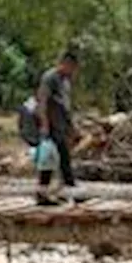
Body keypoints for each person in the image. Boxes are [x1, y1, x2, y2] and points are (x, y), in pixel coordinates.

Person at [35, 50, 80, 205]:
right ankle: (42, 194)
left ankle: (70, 191)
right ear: (65, 64)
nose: (73, 72)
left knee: (64, 160)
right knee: (48, 160)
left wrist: (71, 127)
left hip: (61, 127)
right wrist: (44, 124)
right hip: (51, 126)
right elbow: (42, 100)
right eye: (72, 68)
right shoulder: (50, 78)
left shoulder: (65, 82)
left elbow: (65, 107)